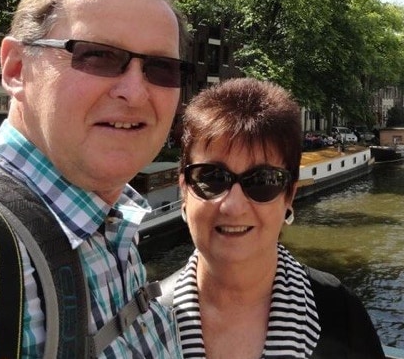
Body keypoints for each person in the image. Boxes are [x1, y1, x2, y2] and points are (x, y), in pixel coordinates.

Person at [0, 0, 190, 358]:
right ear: (15, 68)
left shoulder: (115, 232)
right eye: (97, 55)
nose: (135, 93)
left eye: (162, 68)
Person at [160, 77, 386, 358]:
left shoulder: (342, 316)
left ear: (288, 195)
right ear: (184, 189)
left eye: (262, 181)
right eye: (212, 178)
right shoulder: (141, 321)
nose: (233, 206)